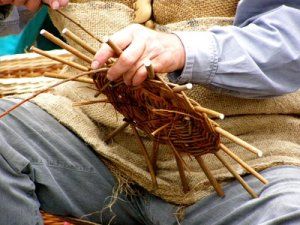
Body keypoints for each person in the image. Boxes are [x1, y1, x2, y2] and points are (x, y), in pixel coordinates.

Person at [1, 0, 300, 224]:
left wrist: (184, 49)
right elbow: (12, 25)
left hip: (246, 157)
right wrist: (11, 7)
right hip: (93, 137)